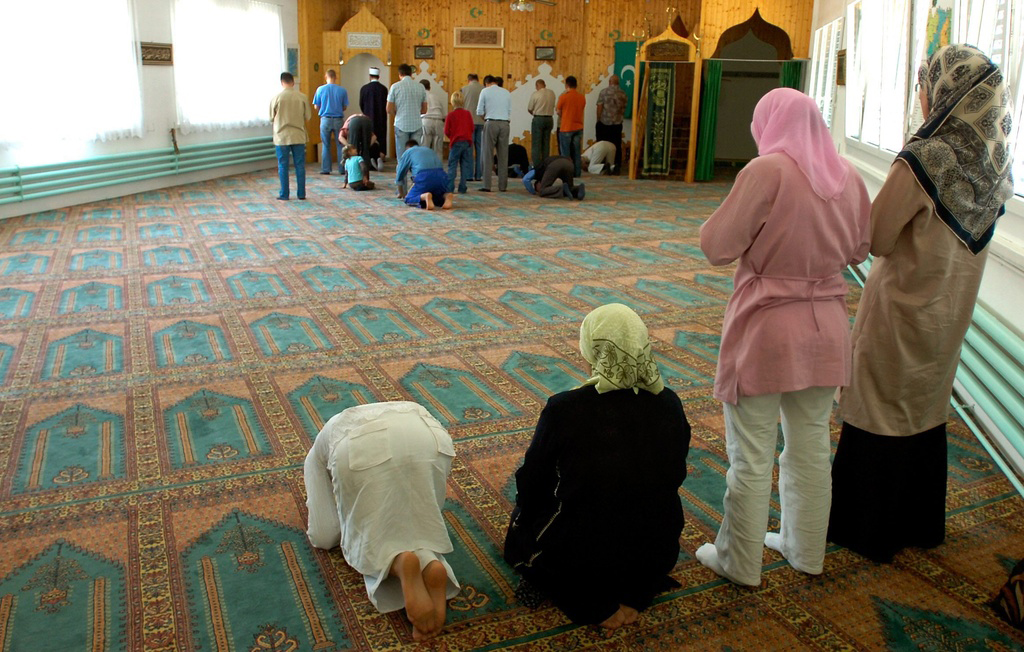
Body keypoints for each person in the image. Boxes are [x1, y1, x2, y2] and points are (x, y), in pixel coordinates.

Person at [829, 44, 1015, 563]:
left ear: (946, 91)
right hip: (949, 315)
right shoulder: (996, 166)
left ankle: (869, 529)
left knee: (881, 406)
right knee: (926, 408)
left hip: (900, 310)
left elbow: (879, 236)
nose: (920, 95)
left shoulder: (925, 158)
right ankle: (917, 522)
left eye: (924, 85)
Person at [695, 88, 871, 587]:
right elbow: (861, 248)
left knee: (750, 454)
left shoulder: (766, 171)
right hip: (828, 328)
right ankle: (805, 549)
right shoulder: (849, 176)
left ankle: (740, 562)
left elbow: (716, 245)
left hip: (768, 328)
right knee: (812, 444)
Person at [504, 303, 690, 629]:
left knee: (522, 530)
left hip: (582, 557)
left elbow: (532, 481)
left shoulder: (565, 409)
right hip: (654, 551)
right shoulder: (669, 401)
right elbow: (673, 475)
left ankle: (587, 600)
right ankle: (635, 590)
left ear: (591, 348)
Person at [304, 401, 461, 641]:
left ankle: (398, 563)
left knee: (369, 536)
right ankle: (429, 562)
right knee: (418, 519)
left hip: (357, 442)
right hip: (427, 433)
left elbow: (324, 534)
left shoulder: (316, 454)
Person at [269, 72, 311, 201]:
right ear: (293, 82)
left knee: (283, 165)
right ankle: (301, 194)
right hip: (298, 135)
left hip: (282, 136)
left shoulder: (276, 98)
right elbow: (308, 116)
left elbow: (271, 118)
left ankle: (284, 194)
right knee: (300, 165)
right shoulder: (302, 97)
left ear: (282, 83)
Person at [395, 139, 454, 210]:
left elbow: (400, 174)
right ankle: (446, 196)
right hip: (441, 175)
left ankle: (425, 196)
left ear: (407, 147)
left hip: (424, 177)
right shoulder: (428, 149)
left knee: (409, 199)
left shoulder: (408, 152)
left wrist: (401, 193)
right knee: (435, 196)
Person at [476, 75, 512, 192]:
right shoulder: (506, 92)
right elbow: (509, 111)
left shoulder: (485, 91)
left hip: (491, 122)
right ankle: (502, 186)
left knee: (487, 154)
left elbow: (479, 111)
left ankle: (487, 185)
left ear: (487, 83)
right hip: (505, 124)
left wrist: (486, 119)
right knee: (503, 155)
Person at [312, 69, 349, 175]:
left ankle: (326, 169)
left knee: (326, 145)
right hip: (338, 119)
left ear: (325, 77)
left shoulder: (320, 89)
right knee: (340, 144)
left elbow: (316, 106)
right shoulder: (342, 90)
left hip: (325, 119)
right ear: (335, 77)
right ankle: (342, 169)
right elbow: (345, 107)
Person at [388, 64, 428, 159]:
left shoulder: (395, 87)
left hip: (401, 124)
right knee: (416, 155)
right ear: (411, 74)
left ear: (400, 74)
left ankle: (402, 173)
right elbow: (424, 110)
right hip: (417, 124)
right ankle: (415, 172)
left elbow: (388, 109)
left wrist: (397, 113)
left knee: (402, 156)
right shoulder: (421, 87)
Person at [595, 75, 627, 174]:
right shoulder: (623, 94)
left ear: (609, 82)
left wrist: (598, 120)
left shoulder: (603, 92)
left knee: (602, 144)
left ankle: (603, 165)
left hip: (604, 123)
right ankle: (616, 165)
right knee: (616, 144)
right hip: (617, 124)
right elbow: (624, 109)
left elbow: (600, 107)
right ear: (618, 83)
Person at [444, 90, 474, 194]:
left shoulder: (450, 115)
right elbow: (472, 128)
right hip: (467, 142)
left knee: (452, 165)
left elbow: (446, 131)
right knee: (464, 165)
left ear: (452, 102)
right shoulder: (467, 114)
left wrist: (452, 137)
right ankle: (462, 187)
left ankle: (450, 187)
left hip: (456, 142)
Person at [360, 67, 389, 167]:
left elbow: (361, 104)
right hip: (381, 118)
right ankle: (380, 156)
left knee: (369, 137)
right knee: (381, 136)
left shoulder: (364, 88)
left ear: (370, 76)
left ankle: (371, 157)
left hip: (368, 118)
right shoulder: (384, 89)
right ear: (379, 76)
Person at [460, 73, 485, 181]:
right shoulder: (484, 89)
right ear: (478, 79)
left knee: (469, 149)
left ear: (468, 79)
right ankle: (479, 175)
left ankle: (469, 175)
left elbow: (460, 106)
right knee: (480, 149)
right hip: (481, 121)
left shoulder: (464, 89)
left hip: (468, 122)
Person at [527, 79, 557, 167]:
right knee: (546, 143)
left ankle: (537, 166)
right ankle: (546, 164)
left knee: (536, 144)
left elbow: (529, 108)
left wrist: (534, 113)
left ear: (537, 86)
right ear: (545, 84)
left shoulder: (536, 94)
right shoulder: (552, 93)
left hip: (538, 118)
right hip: (549, 119)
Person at [419, 79, 446, 159]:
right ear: (429, 87)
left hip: (426, 120)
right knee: (438, 148)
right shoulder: (436, 96)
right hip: (438, 120)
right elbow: (444, 114)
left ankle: (424, 167)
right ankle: (437, 167)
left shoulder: (421, 96)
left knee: (424, 146)